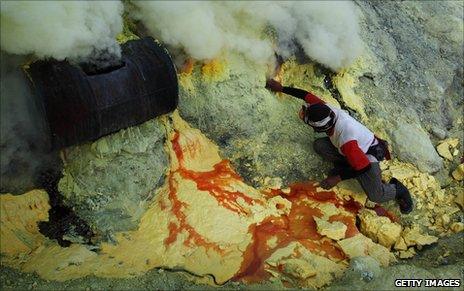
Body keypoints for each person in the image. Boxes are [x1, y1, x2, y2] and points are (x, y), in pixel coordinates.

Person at [265, 79, 413, 214]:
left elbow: (364, 167)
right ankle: (347, 164)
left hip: (369, 154)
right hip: (355, 149)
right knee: (320, 145)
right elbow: (305, 95)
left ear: (319, 128)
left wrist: (338, 178)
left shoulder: (346, 140)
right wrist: (282, 88)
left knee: (375, 195)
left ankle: (397, 189)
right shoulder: (325, 109)